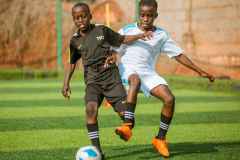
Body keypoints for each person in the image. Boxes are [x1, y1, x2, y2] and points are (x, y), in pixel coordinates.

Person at [115, 0, 215, 157]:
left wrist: (199, 70)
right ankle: (127, 125)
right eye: (142, 15)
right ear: (138, 15)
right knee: (135, 80)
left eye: (149, 15)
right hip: (127, 69)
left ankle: (160, 139)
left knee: (169, 99)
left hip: (148, 72)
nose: (146, 18)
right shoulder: (127, 30)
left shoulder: (161, 35)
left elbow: (178, 54)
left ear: (156, 15)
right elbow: (113, 47)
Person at [61, 2, 152, 159]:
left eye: (83, 16)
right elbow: (72, 62)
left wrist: (140, 35)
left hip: (111, 79)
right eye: (77, 18)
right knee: (90, 109)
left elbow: (121, 39)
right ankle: (97, 152)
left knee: (128, 117)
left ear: (90, 16)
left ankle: (127, 127)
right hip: (92, 81)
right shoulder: (74, 41)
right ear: (73, 20)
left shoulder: (101, 30)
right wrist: (65, 83)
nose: (80, 20)